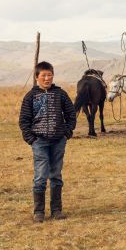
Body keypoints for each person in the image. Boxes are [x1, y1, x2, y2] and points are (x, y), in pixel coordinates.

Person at [19, 61, 77, 222]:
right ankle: (38, 212)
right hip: (40, 142)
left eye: (49, 75)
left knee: (56, 175)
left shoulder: (61, 94)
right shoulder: (31, 96)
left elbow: (71, 114)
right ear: (37, 77)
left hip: (58, 141)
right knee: (40, 176)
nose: (47, 78)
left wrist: (66, 133)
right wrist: (31, 139)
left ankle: (57, 210)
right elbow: (24, 120)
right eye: (43, 75)